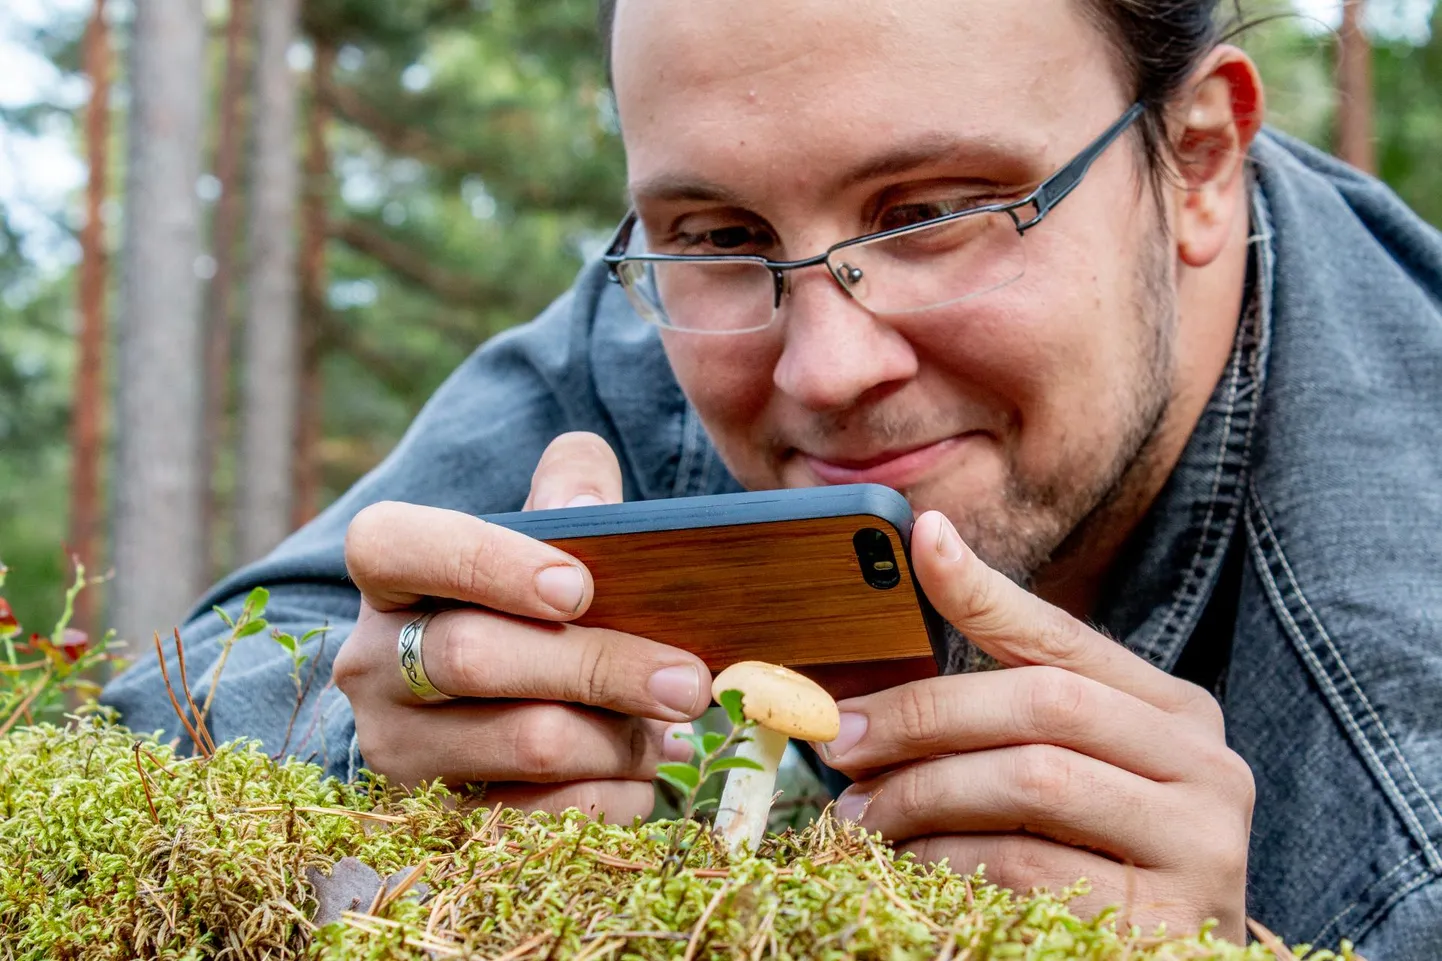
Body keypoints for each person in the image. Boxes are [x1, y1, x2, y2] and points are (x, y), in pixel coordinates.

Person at [103, 0, 1442, 953]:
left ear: (1197, 155)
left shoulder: (1406, 656)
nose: (822, 365)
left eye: (928, 213)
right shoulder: (650, 334)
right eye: (718, 232)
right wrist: (391, 738)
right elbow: (168, 720)